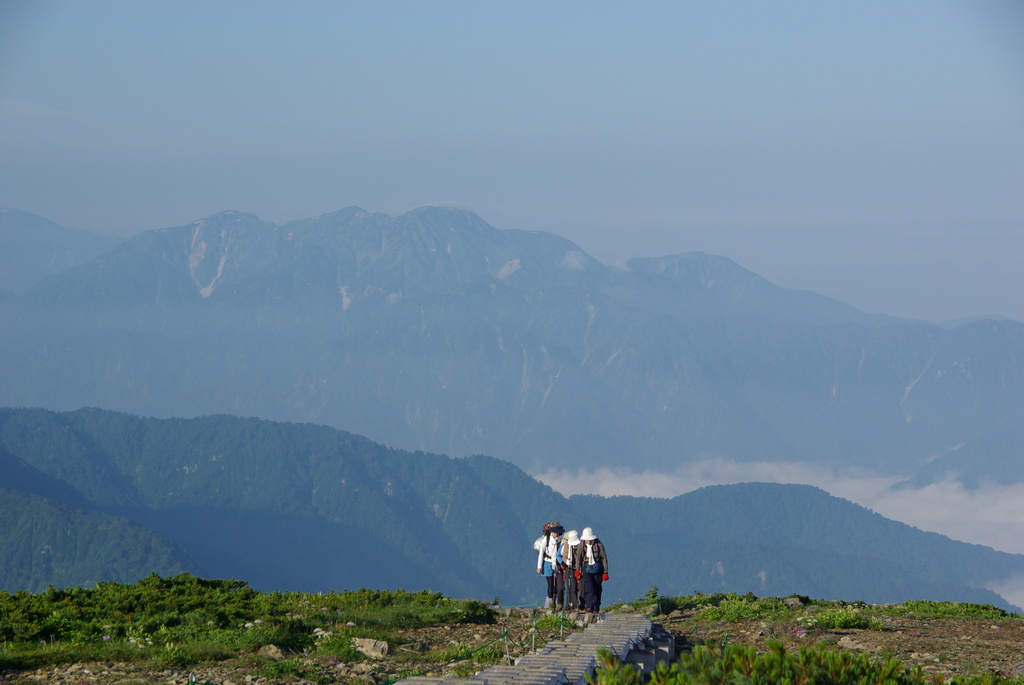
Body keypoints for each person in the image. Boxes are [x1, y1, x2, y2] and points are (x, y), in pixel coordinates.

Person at [574, 527, 609, 613]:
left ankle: (596, 606)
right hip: (587, 570)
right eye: (587, 540)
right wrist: (577, 570)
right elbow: (578, 559)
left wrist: (605, 572)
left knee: (597, 588)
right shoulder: (581, 546)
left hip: (597, 569)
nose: (588, 541)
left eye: (589, 540)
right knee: (589, 589)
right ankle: (589, 606)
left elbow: (604, 558)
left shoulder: (599, 545)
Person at [534, 521, 565, 610]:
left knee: (559, 586)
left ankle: (559, 602)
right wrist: (539, 566)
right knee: (550, 584)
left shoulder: (561, 539)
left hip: (558, 563)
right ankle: (551, 602)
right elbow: (541, 553)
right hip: (547, 562)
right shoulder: (546, 540)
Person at [560, 529, 581, 611]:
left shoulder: (579, 546)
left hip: (577, 568)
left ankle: (576, 603)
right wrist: (566, 561)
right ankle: (571, 603)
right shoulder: (566, 545)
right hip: (569, 568)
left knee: (576, 586)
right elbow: (564, 555)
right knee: (570, 586)